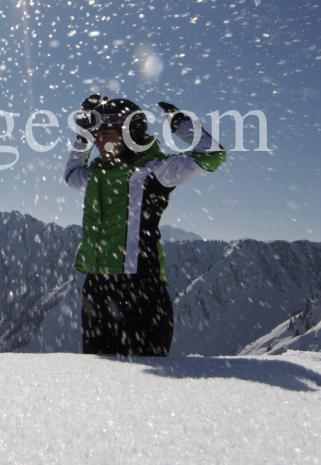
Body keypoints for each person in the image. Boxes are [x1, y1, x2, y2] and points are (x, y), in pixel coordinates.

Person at [63, 96, 225, 356]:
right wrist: (82, 138)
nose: (99, 142)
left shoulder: (154, 172)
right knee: (97, 380)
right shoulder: (97, 175)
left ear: (129, 134)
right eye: (96, 136)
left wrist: (184, 127)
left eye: (105, 134)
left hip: (141, 289)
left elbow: (212, 156)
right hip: (97, 289)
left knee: (146, 386)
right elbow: (71, 175)